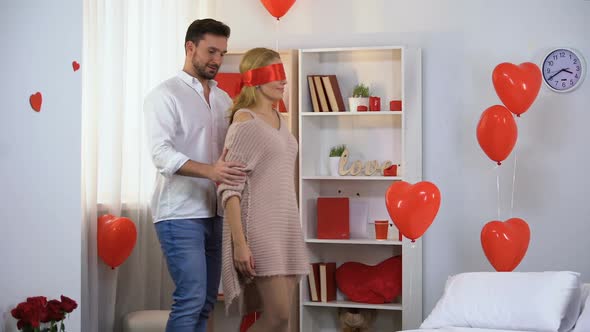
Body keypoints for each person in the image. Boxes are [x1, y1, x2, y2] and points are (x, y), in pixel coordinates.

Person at [143, 18, 246, 332]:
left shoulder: (223, 99)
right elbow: (160, 154)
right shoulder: (164, 95)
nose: (217, 60)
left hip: (215, 212)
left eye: (222, 54)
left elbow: (234, 146)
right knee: (190, 298)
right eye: (211, 51)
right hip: (179, 213)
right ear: (190, 47)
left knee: (205, 303)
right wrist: (210, 171)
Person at [217, 47, 309, 332]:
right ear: (255, 78)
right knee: (277, 318)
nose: (283, 81)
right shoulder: (246, 122)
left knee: (284, 323)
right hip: (261, 229)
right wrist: (240, 244)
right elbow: (229, 187)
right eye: (275, 74)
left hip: (286, 227)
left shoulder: (280, 120)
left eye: (283, 74)